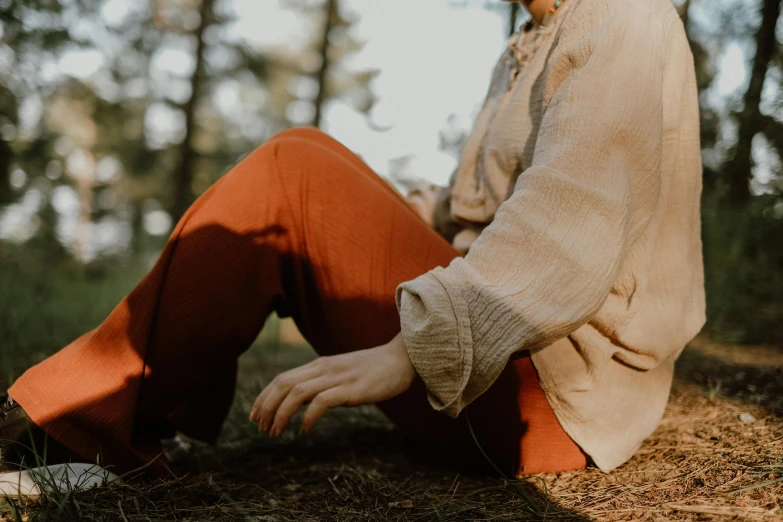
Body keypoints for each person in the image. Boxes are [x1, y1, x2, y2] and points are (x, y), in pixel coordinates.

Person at [0, 0, 705, 483]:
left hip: (547, 396)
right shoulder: (528, 45)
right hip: (506, 363)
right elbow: (486, 210)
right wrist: (387, 209)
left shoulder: (625, 19)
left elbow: (565, 228)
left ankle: (71, 429)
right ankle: (128, 411)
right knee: (306, 154)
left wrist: (412, 348)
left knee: (293, 171)